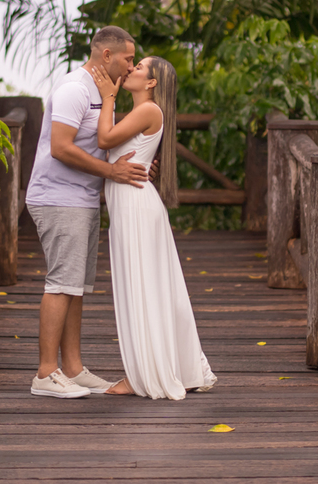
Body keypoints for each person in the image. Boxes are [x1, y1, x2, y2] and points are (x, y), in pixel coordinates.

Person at [26, 26, 150, 398]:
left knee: (76, 288)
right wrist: (112, 172)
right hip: (57, 197)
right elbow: (62, 148)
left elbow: (101, 141)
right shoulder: (74, 90)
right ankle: (46, 373)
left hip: (81, 198)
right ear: (107, 56)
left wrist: (133, 161)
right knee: (61, 283)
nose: (131, 66)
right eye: (129, 58)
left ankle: (74, 369)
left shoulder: (103, 92)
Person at [90, 56, 218, 399]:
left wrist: (108, 97)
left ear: (152, 83)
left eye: (139, 67)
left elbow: (104, 139)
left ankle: (143, 375)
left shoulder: (148, 111)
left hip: (136, 207)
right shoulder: (140, 114)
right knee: (150, 288)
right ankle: (166, 367)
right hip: (132, 204)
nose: (130, 69)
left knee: (143, 287)